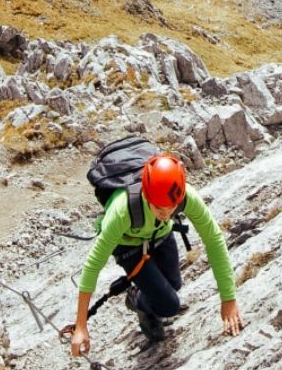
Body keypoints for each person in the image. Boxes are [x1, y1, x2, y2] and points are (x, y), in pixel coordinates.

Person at [68, 150, 243, 355]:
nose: (166, 213)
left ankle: (142, 293)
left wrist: (229, 298)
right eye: (159, 208)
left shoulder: (185, 197)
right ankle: (140, 302)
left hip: (160, 235)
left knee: (174, 285)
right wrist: (81, 326)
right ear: (146, 195)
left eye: (171, 208)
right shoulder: (122, 211)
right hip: (128, 245)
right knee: (169, 306)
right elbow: (92, 266)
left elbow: (213, 239)